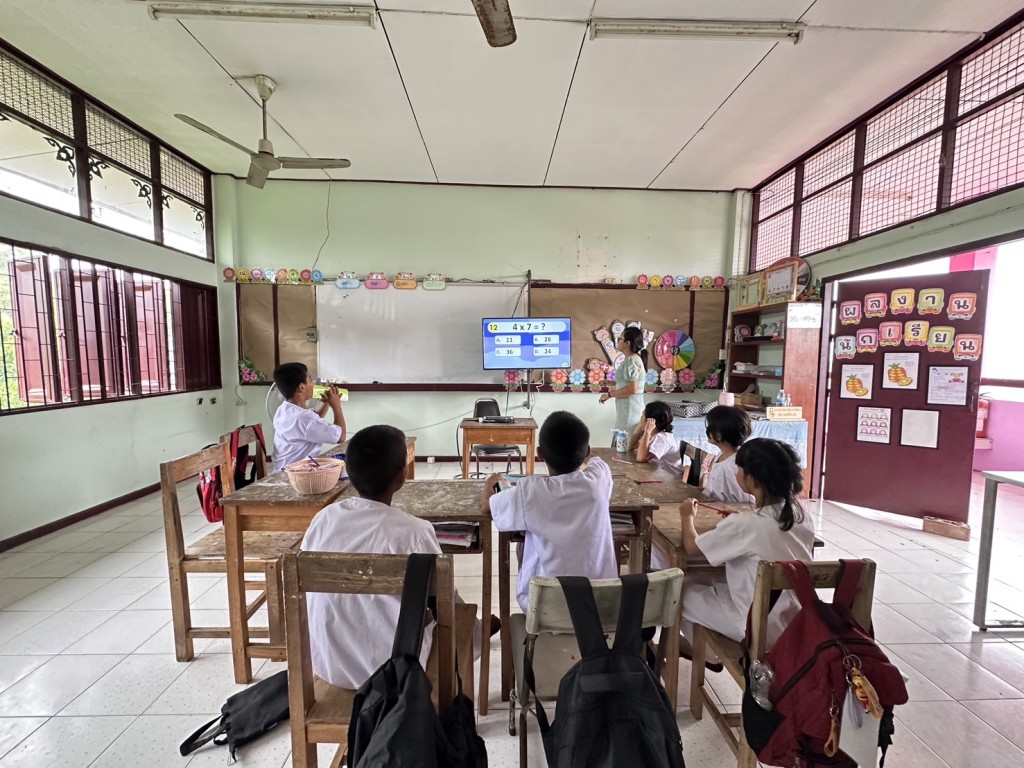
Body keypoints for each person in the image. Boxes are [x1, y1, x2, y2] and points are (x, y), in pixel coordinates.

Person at [301, 424, 480, 689]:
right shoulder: (415, 532)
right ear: (402, 475)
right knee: (459, 616)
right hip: (393, 671)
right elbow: (443, 600)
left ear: (348, 471)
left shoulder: (323, 520)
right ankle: (478, 636)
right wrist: (472, 625)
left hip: (328, 665)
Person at [678, 438, 815, 666]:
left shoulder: (745, 525)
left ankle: (707, 655)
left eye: (739, 469)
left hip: (756, 626)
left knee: (678, 591)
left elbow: (692, 547)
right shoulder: (801, 516)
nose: (737, 473)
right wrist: (741, 521)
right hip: (796, 621)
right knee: (710, 583)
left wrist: (687, 517)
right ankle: (706, 650)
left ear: (752, 480)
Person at [481, 410, 618, 613]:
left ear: (539, 454)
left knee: (525, 542)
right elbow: (597, 461)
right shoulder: (598, 479)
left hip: (547, 610)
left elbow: (488, 507)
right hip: (603, 606)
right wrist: (585, 455)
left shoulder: (531, 491)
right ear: (586, 451)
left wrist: (490, 483)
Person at [271, 362, 346, 471]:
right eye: (310, 380)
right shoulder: (304, 419)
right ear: (302, 387)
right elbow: (341, 437)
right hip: (295, 473)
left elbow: (313, 421)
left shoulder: (284, 409)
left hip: (281, 469)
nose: (313, 384)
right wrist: (336, 406)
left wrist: (326, 403)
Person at [696, 404, 755, 503]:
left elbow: (746, 503)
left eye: (710, 427)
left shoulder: (734, 466)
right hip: (713, 505)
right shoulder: (722, 455)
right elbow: (715, 490)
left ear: (719, 435)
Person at [599, 326, 647, 439]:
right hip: (627, 411)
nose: (618, 341)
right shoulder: (630, 359)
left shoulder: (631, 360)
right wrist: (610, 383)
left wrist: (609, 395)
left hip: (630, 412)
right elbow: (628, 383)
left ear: (627, 343)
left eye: (620, 339)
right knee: (622, 441)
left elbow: (632, 389)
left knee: (624, 443)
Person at [628, 400, 682, 472]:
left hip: (670, 477)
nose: (641, 417)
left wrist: (647, 432)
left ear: (650, 421)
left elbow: (641, 459)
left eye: (643, 415)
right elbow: (632, 446)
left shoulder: (662, 438)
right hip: (657, 472)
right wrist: (641, 425)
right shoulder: (653, 434)